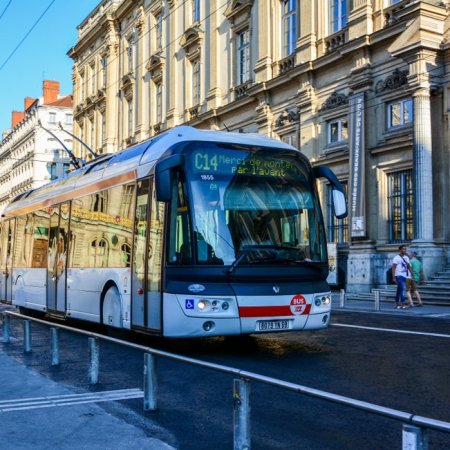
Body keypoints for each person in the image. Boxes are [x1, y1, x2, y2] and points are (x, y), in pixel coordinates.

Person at [391, 245, 411, 309]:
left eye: (405, 249)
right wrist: (393, 277)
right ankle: (402, 303)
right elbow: (393, 268)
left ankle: (397, 303)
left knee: (399, 289)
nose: (405, 250)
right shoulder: (396, 258)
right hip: (398, 275)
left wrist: (412, 274)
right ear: (400, 250)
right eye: (403, 249)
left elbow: (408, 266)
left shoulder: (406, 257)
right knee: (403, 288)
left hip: (404, 275)